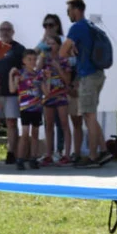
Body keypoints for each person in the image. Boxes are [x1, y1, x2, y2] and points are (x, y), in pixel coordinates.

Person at [60, 0, 113, 167]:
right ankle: (103, 151)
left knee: (88, 116)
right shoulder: (90, 26)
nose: (68, 14)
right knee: (90, 114)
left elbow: (62, 52)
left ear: (76, 9)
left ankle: (93, 156)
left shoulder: (77, 27)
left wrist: (69, 51)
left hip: (88, 76)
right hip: (98, 74)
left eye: (69, 10)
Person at [0, 21, 26, 165]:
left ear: (13, 32)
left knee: (11, 123)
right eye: (2, 29)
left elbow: (25, 70)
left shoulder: (19, 49)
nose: (5, 32)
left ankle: (11, 152)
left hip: (12, 93)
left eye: (8, 29)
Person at [39, 35, 72, 166]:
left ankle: (67, 154)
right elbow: (37, 72)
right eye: (48, 43)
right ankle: (48, 154)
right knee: (49, 125)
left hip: (61, 95)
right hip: (48, 96)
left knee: (64, 124)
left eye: (52, 43)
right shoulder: (45, 59)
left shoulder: (64, 60)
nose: (50, 46)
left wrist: (58, 67)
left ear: (59, 45)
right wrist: (42, 53)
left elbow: (68, 80)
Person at [10, 48, 43, 171]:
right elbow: (13, 89)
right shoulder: (20, 74)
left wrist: (46, 79)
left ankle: (33, 158)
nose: (32, 61)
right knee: (24, 134)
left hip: (37, 108)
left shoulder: (38, 74)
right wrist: (10, 75)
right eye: (29, 59)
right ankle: (20, 159)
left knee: (35, 134)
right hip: (25, 108)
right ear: (23, 61)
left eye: (34, 59)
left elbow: (45, 91)